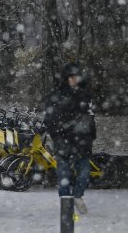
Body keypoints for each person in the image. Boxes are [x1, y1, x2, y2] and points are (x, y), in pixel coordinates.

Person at [43, 63, 96, 215]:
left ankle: (78, 196)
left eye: (76, 77)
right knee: (63, 174)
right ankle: (66, 202)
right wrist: (58, 135)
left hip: (83, 142)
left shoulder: (85, 96)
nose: (74, 80)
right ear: (66, 79)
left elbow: (90, 118)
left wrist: (91, 136)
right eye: (71, 77)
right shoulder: (56, 96)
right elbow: (50, 119)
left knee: (84, 173)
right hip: (64, 142)